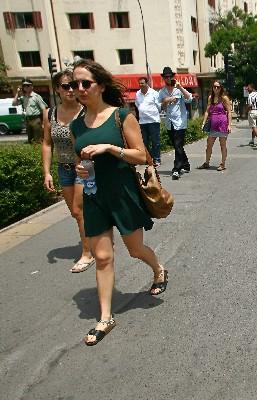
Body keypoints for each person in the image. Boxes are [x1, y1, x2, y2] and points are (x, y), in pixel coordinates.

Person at [71, 59, 168, 346]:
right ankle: (105, 318)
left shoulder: (121, 116)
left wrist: (111, 148)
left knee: (135, 250)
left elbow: (141, 155)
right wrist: (80, 168)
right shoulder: (77, 125)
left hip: (123, 194)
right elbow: (80, 159)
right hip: (94, 196)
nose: (79, 88)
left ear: (99, 85)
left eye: (85, 83)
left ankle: (159, 269)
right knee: (102, 257)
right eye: (75, 84)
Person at [41, 69, 94, 273]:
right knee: (75, 212)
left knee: (80, 211)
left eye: (74, 85)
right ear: (57, 89)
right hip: (63, 168)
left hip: (83, 167)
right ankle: (97, 236)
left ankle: (87, 253)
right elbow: (46, 144)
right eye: (66, 86)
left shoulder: (86, 110)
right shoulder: (50, 113)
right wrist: (47, 172)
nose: (71, 90)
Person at [158, 66, 192, 180]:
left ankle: (176, 169)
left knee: (178, 145)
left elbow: (189, 98)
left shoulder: (178, 89)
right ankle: (186, 164)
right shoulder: (162, 92)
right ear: (163, 78)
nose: (168, 79)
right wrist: (167, 100)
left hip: (180, 122)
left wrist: (180, 87)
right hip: (169, 122)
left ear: (172, 77)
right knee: (177, 145)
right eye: (166, 77)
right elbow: (160, 106)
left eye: (170, 76)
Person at [197, 81, 232, 171]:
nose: (216, 88)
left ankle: (222, 164)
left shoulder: (224, 98)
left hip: (222, 124)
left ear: (221, 88)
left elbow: (229, 112)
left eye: (218, 87)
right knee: (209, 144)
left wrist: (229, 125)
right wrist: (203, 122)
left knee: (222, 145)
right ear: (212, 88)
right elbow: (207, 111)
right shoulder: (210, 98)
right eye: (214, 87)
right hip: (213, 125)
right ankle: (206, 162)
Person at [135, 76, 162, 166]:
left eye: (142, 83)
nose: (141, 85)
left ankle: (157, 159)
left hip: (153, 121)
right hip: (142, 122)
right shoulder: (137, 94)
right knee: (144, 142)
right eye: (139, 83)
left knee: (155, 142)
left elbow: (159, 107)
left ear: (147, 83)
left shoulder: (154, 93)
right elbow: (137, 105)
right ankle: (148, 159)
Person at [13, 77, 47, 143]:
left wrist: (44, 123)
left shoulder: (36, 97)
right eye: (24, 86)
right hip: (28, 120)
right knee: (30, 140)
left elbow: (44, 109)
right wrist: (17, 93)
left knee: (38, 139)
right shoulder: (23, 97)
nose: (26, 87)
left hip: (36, 119)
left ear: (32, 87)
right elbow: (14, 103)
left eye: (28, 85)